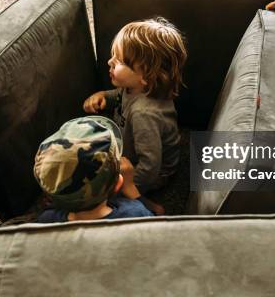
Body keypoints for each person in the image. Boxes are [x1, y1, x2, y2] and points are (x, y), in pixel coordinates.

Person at [83, 18, 187, 215]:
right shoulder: (135, 87)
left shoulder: (144, 114)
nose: (109, 62)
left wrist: (124, 186)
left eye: (119, 61)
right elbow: (121, 95)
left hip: (154, 171)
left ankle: (148, 206)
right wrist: (105, 96)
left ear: (146, 76)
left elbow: (150, 166)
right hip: (132, 148)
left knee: (101, 196)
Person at [34, 116, 153, 223]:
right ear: (118, 184)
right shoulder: (135, 214)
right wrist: (131, 189)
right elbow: (156, 224)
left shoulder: (47, 220)